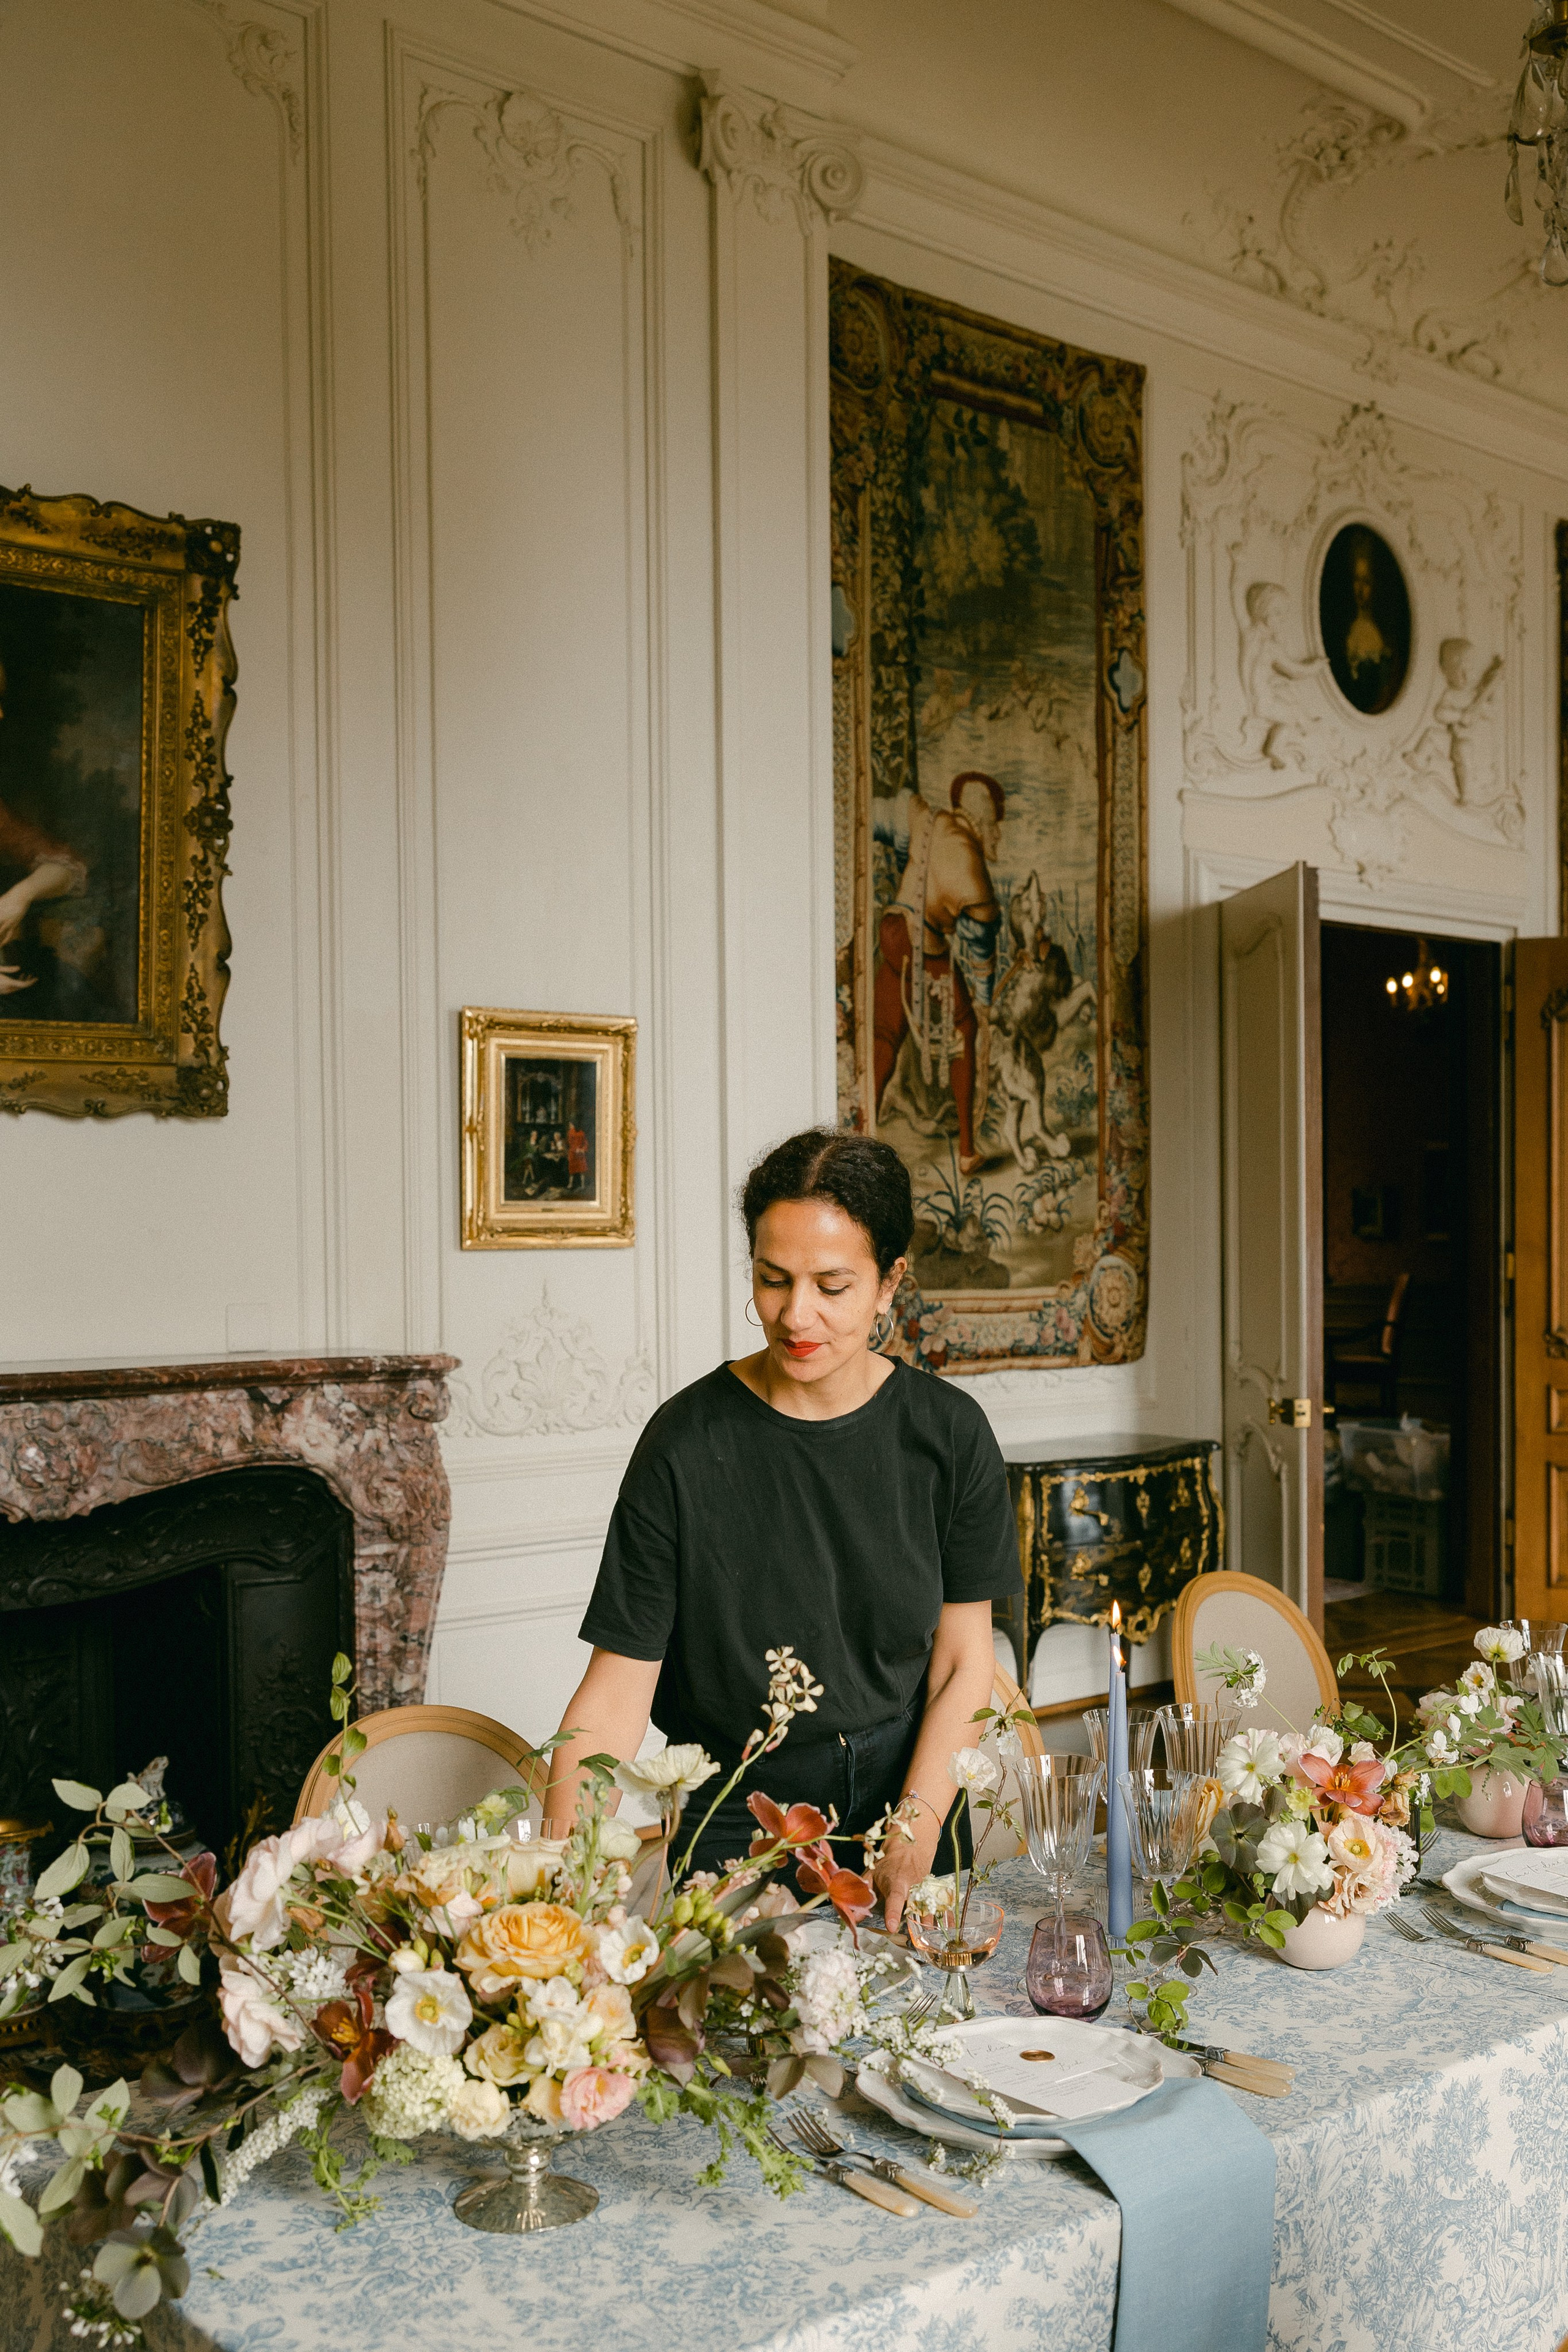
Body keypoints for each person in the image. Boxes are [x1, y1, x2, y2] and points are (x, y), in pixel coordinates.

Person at [545, 1126, 1022, 1928]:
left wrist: (918, 1825)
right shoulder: (686, 1445)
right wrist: (562, 1872)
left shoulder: (950, 1435)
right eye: (773, 1281)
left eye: (831, 1286)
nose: (795, 1314)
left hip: (907, 1793)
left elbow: (961, 1663)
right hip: (738, 1811)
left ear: (889, 1282)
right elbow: (616, 1694)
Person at [872, 771, 1005, 1176]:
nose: (998, 832)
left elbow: (878, 818)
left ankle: (858, 1140)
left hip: (893, 929)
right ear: (984, 820)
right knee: (964, 1030)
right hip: (924, 948)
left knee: (884, 1033)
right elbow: (981, 951)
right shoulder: (972, 867)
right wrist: (982, 1004)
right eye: (997, 821)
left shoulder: (924, 817)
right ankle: (966, 1150)